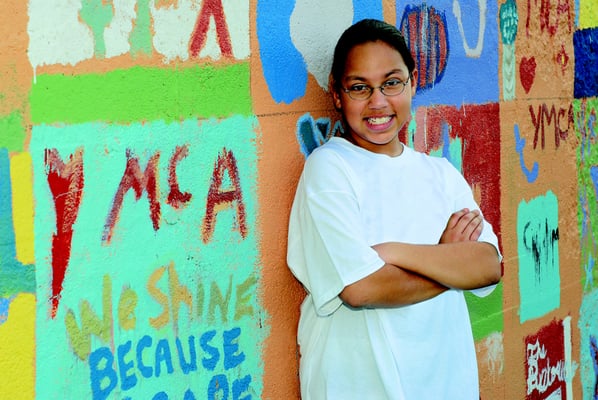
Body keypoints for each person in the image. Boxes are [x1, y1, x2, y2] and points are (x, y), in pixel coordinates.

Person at [286, 18, 502, 400]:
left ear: (413, 82)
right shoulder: (330, 169)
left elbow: (488, 267)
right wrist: (448, 261)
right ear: (337, 94)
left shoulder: (440, 173)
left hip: (447, 387)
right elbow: (361, 287)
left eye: (391, 82)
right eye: (359, 88)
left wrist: (393, 253)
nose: (378, 102)